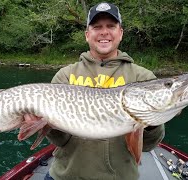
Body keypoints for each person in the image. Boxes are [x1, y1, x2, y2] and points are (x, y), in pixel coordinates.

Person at [45, 2, 165, 180]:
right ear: (87, 34)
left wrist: (151, 122)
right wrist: (46, 125)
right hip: (65, 176)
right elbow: (60, 141)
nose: (104, 32)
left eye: (111, 26)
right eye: (97, 27)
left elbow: (148, 146)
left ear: (121, 33)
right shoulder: (65, 76)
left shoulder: (143, 77)